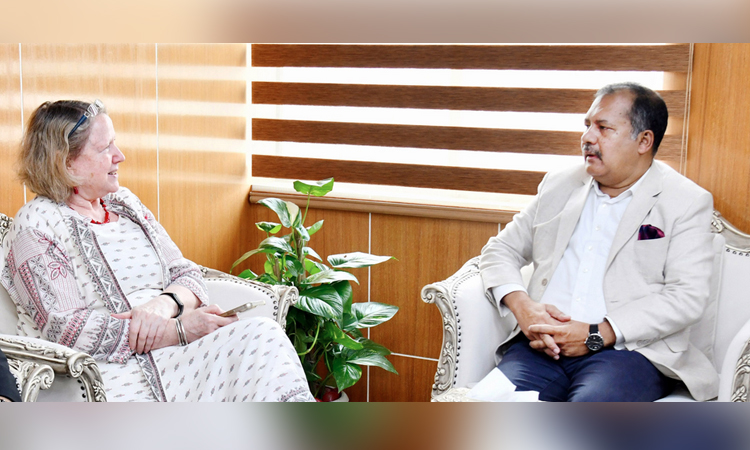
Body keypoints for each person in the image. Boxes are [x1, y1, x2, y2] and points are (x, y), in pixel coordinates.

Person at [0, 100, 314, 402]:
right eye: (105, 148)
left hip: (181, 354)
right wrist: (178, 331)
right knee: (259, 338)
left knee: (262, 336)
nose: (119, 156)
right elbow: (68, 330)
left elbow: (187, 273)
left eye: (115, 143)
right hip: (112, 374)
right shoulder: (37, 224)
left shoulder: (124, 203)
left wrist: (163, 305)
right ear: (67, 161)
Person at [479, 82, 718, 402]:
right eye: (588, 125)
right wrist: (524, 308)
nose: (588, 137)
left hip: (628, 353)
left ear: (644, 141)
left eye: (604, 128)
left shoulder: (685, 201)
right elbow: (501, 249)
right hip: (542, 348)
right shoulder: (560, 183)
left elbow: (687, 296)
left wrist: (595, 335)